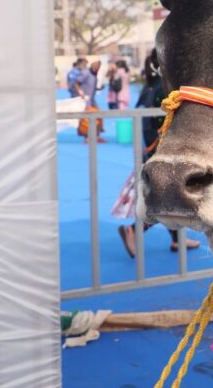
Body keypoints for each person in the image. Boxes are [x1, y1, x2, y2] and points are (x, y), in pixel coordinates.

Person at [112, 50, 201, 257]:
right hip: (161, 150)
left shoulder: (150, 86)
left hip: (151, 148)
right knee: (168, 199)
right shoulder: (164, 88)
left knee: (168, 198)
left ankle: (176, 239)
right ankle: (134, 230)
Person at [77, 59, 105, 142]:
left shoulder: (94, 75)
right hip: (85, 100)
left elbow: (91, 86)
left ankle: (97, 135)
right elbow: (76, 82)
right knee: (86, 120)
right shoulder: (85, 73)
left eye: (98, 67)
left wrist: (99, 88)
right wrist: (80, 92)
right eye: (96, 66)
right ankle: (87, 137)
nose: (97, 68)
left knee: (99, 116)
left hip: (92, 100)